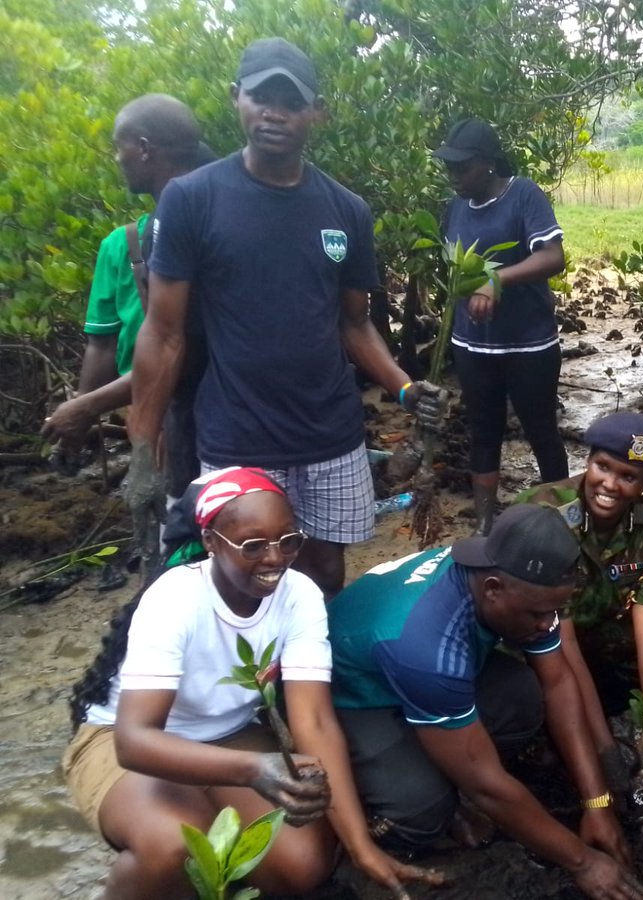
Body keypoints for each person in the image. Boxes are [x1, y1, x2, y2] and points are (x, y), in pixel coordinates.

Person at [126, 38, 444, 597]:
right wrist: (142, 451)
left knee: (323, 577)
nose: (275, 112)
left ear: (316, 111)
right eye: (261, 96)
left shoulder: (346, 210)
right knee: (240, 581)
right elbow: (165, 331)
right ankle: (256, 687)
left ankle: (311, 684)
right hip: (237, 438)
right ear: (236, 99)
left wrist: (404, 387)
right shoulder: (192, 199)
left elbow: (354, 325)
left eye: (291, 102)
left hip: (332, 438)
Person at [64, 467, 440, 899]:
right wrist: (252, 770)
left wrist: (362, 848)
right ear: (211, 543)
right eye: (252, 545)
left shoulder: (299, 596)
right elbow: (134, 741)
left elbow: (313, 722)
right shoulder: (175, 599)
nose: (275, 558)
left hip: (228, 735)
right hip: (124, 744)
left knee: (304, 867)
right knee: (176, 847)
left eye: (288, 540)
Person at [328, 505, 643, 900]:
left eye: (553, 611)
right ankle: (364, 809)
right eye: (536, 614)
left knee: (523, 697)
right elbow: (487, 788)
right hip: (355, 695)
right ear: (493, 588)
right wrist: (582, 861)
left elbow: (559, 683)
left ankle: (442, 752)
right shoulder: (429, 648)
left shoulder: (519, 579)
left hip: (422, 675)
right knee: (422, 812)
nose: (545, 623)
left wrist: (597, 803)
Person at [42, 94, 211, 486]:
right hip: (157, 409)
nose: (117, 158)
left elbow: (185, 347)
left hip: (204, 411)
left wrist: (87, 407)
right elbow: (102, 344)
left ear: (145, 149)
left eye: (120, 146)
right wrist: (82, 418)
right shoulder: (124, 244)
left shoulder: (207, 226)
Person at [512, 411, 643, 795]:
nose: (610, 484)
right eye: (603, 467)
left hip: (604, 641)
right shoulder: (546, 514)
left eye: (628, 476)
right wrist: (605, 749)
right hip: (543, 643)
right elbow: (560, 639)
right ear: (586, 463)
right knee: (541, 735)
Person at [433, 117, 568, 535]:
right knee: (483, 432)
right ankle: (485, 527)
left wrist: (497, 280)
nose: (454, 176)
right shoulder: (455, 207)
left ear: (488, 163)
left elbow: (553, 257)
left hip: (527, 345)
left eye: (463, 167)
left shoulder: (523, 195)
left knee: (542, 431)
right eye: (449, 167)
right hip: (473, 345)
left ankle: (561, 522)